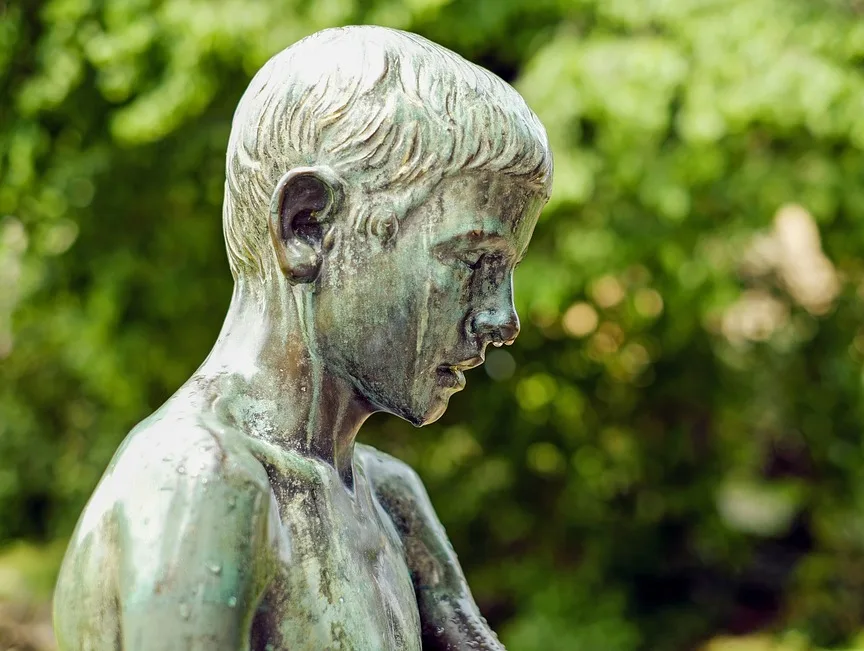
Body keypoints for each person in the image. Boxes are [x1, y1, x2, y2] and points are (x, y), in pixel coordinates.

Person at [53, 25, 552, 651]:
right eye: (474, 262)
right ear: (308, 226)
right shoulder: (200, 482)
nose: (503, 318)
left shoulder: (389, 499)